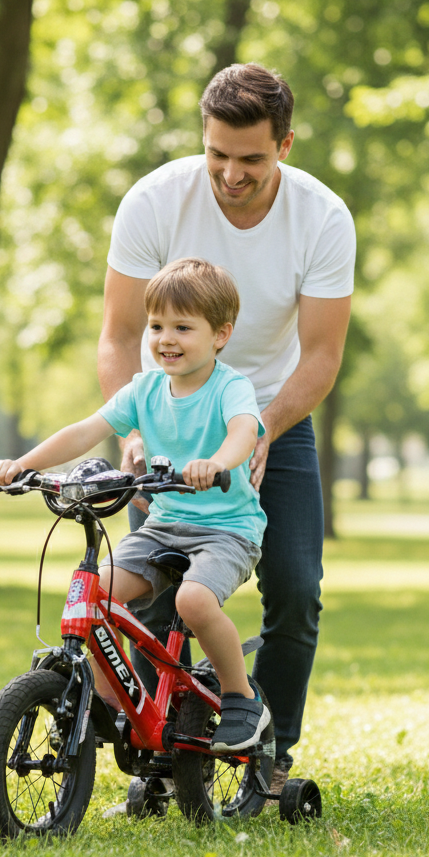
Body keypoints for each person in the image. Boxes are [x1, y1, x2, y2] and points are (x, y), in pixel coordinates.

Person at [98, 63, 355, 797]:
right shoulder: (154, 201)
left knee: (296, 590)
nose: (231, 174)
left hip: (274, 414)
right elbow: (119, 336)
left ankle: (270, 754)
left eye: (252, 159)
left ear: (285, 146)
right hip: (172, 420)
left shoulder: (322, 217)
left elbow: (322, 354)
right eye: (217, 154)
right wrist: (134, 434)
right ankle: (158, 765)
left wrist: (263, 428)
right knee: (152, 596)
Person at [0, 258, 271, 753]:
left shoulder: (230, 387)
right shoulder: (144, 389)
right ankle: (108, 704)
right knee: (93, 597)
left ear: (220, 335)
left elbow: (243, 432)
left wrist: (216, 463)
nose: (166, 338)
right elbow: (85, 430)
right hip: (164, 526)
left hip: (227, 530)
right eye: (157, 326)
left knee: (193, 601)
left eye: (183, 327)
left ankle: (241, 699)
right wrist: (22, 465)